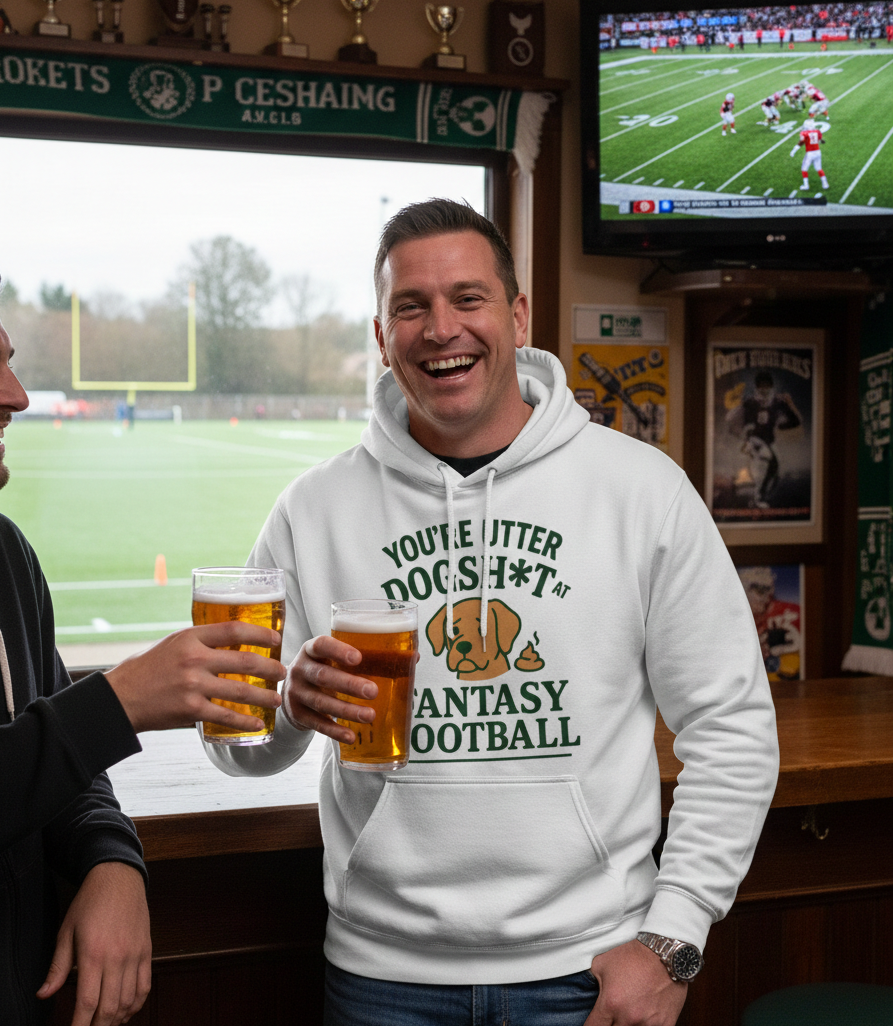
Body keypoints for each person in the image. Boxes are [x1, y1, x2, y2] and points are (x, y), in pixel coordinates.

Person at [204, 199, 779, 1026]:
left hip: (589, 970)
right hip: (379, 976)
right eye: (411, 306)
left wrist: (672, 937)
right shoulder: (311, 509)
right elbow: (240, 752)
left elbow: (731, 727)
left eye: (467, 299)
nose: (441, 328)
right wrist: (288, 710)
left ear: (516, 316)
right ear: (380, 336)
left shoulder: (639, 489)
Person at [0, 309, 284, 1026]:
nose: (18, 395)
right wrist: (119, 701)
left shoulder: (6, 554)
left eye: (10, 360)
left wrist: (110, 859)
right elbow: (70, 732)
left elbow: (55, 753)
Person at [726, 370, 804, 509]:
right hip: (755, 440)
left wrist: (789, 406)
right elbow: (730, 419)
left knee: (777, 471)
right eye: (761, 385)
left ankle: (758, 495)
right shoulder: (749, 402)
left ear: (771, 386)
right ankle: (757, 498)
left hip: (770, 441)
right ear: (756, 387)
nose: (764, 388)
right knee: (763, 467)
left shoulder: (778, 402)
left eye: (767, 385)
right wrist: (743, 435)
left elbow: (796, 421)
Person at [791, 117, 830, 191]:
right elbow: (820, 139)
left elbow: (801, 142)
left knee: (804, 169)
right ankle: (825, 184)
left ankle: (806, 185)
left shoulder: (804, 133)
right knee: (819, 168)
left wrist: (794, 149)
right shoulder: (817, 131)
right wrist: (822, 141)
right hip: (818, 152)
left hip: (810, 153)